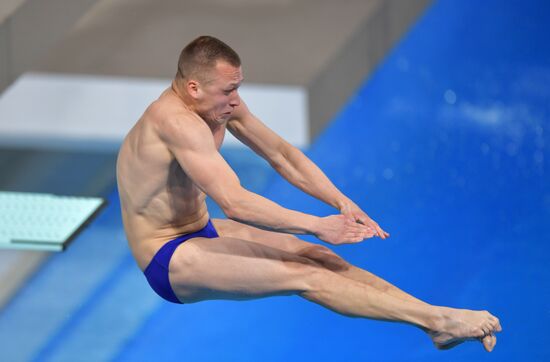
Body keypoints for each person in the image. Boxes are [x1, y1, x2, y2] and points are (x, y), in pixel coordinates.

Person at [116, 35, 501, 352]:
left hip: (200, 228)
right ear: (193, 87)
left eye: (238, 88)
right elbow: (235, 202)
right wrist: (316, 224)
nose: (235, 101)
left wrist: (340, 201)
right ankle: (439, 321)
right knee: (303, 276)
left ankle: (434, 319)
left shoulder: (217, 103)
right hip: (168, 255)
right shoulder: (175, 123)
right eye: (228, 90)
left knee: (321, 258)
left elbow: (282, 155)